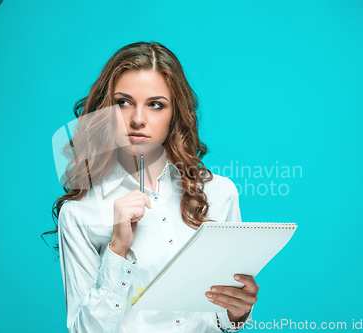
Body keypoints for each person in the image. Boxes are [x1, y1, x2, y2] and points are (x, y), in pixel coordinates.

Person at [47, 41, 258, 333]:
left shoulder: (219, 194)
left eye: (155, 105)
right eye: (123, 102)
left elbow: (221, 320)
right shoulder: (80, 213)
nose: (137, 119)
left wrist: (237, 312)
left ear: (174, 114)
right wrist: (117, 249)